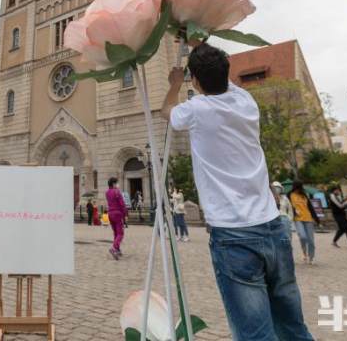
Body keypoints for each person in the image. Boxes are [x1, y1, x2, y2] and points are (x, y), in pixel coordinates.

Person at [163, 43, 313, 340]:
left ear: (195, 81)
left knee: (254, 333)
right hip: (273, 227)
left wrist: (175, 84)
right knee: (292, 325)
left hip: (234, 235)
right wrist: (200, 44)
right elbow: (220, 77)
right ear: (226, 72)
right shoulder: (246, 100)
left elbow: (167, 112)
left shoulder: (196, 109)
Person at [288, 181, 320, 264]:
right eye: (297, 188)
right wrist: (294, 212)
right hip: (298, 219)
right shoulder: (289, 195)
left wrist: (317, 220)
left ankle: (311, 257)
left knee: (311, 240)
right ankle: (304, 252)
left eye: (299, 188)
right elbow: (288, 207)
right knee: (302, 236)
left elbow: (310, 208)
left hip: (308, 218)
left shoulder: (304, 195)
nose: (298, 190)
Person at [106, 177, 127, 259]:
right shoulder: (117, 192)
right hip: (117, 214)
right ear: (114, 184)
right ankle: (114, 248)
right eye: (117, 183)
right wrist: (125, 214)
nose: (118, 184)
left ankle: (117, 249)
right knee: (120, 233)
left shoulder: (107, 192)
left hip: (110, 213)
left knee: (116, 232)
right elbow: (122, 204)